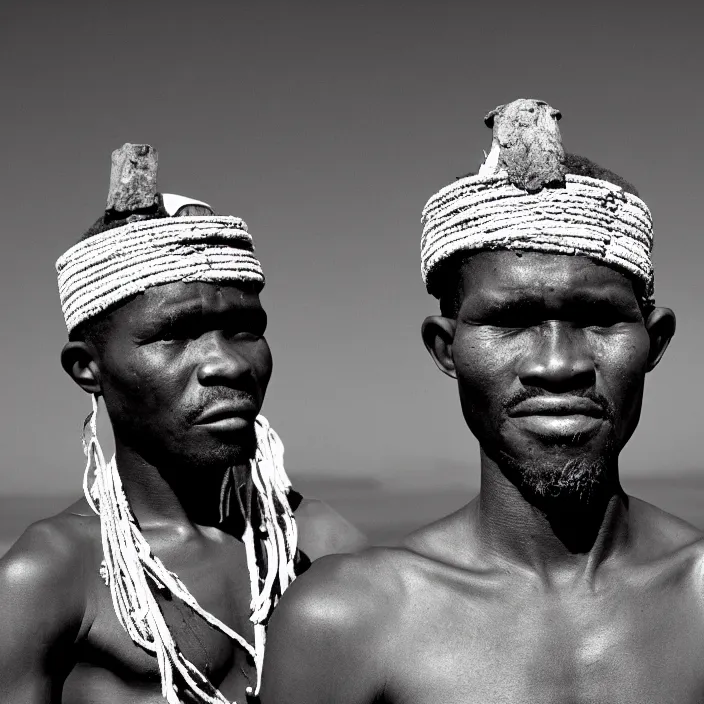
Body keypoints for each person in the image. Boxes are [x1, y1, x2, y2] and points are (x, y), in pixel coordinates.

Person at [260, 99, 704, 704]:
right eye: (512, 321)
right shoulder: (348, 622)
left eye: (598, 319)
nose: (559, 364)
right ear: (447, 350)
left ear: (655, 343)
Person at [0, 143, 366, 704]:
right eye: (175, 334)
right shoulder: (50, 577)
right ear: (88, 368)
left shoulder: (318, 544)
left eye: (245, 327)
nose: (229, 364)